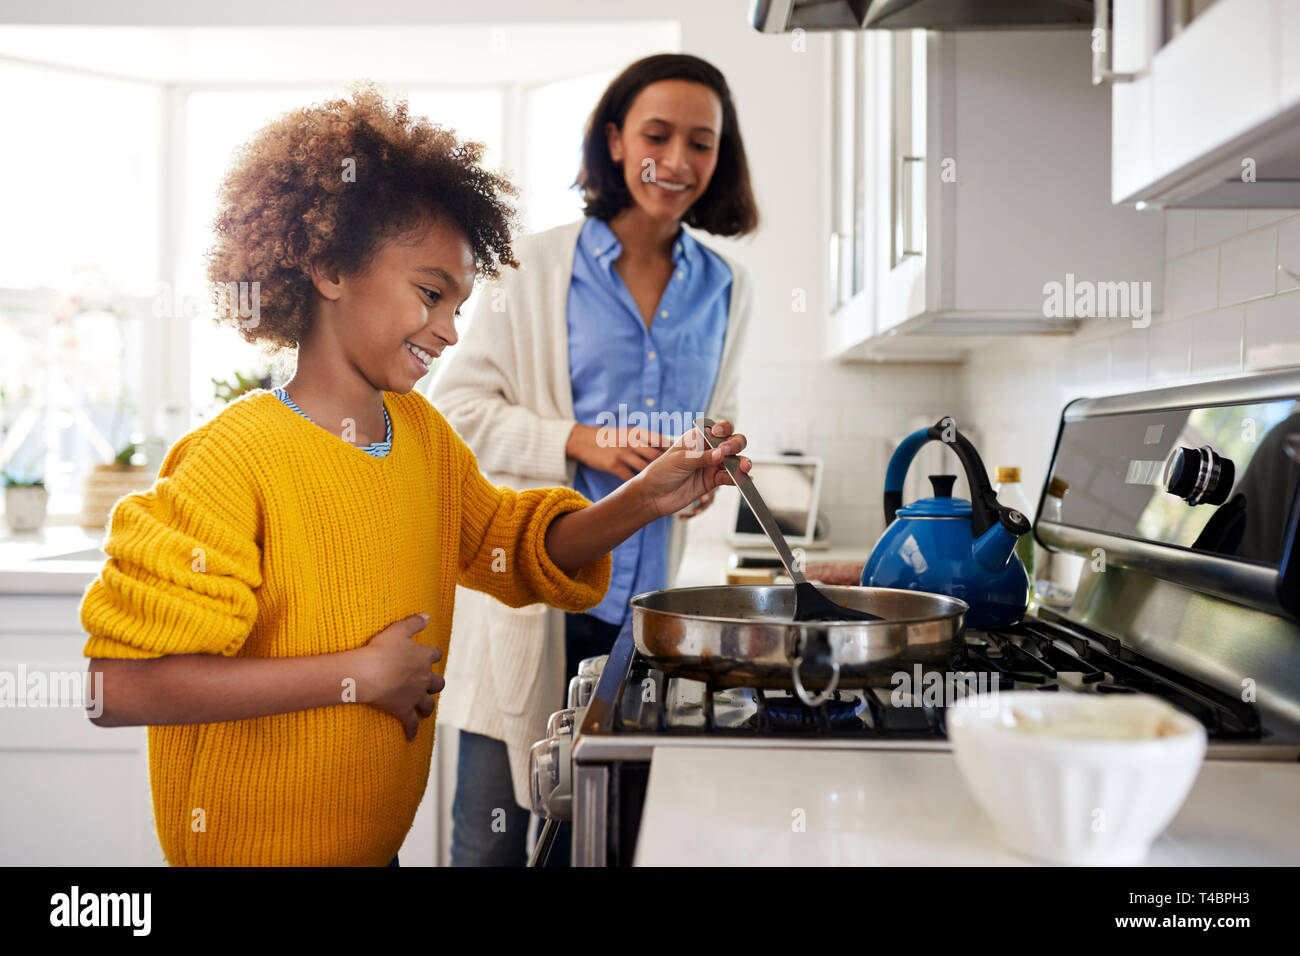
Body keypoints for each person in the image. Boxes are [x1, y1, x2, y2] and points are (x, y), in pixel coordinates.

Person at [78, 81, 750, 867]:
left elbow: (514, 548)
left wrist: (644, 498)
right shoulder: (235, 459)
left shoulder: (423, 439)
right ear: (330, 267)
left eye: (459, 304)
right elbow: (117, 687)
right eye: (430, 294)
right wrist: (354, 678)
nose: (450, 330)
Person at [433, 53, 759, 866]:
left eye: (702, 143)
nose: (678, 162)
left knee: (618, 847)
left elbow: (718, 420)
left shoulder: (729, 288)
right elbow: (452, 411)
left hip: (648, 627)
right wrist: (574, 440)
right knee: (493, 849)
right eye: (657, 135)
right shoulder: (529, 268)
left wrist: (703, 474)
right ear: (615, 141)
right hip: (528, 610)